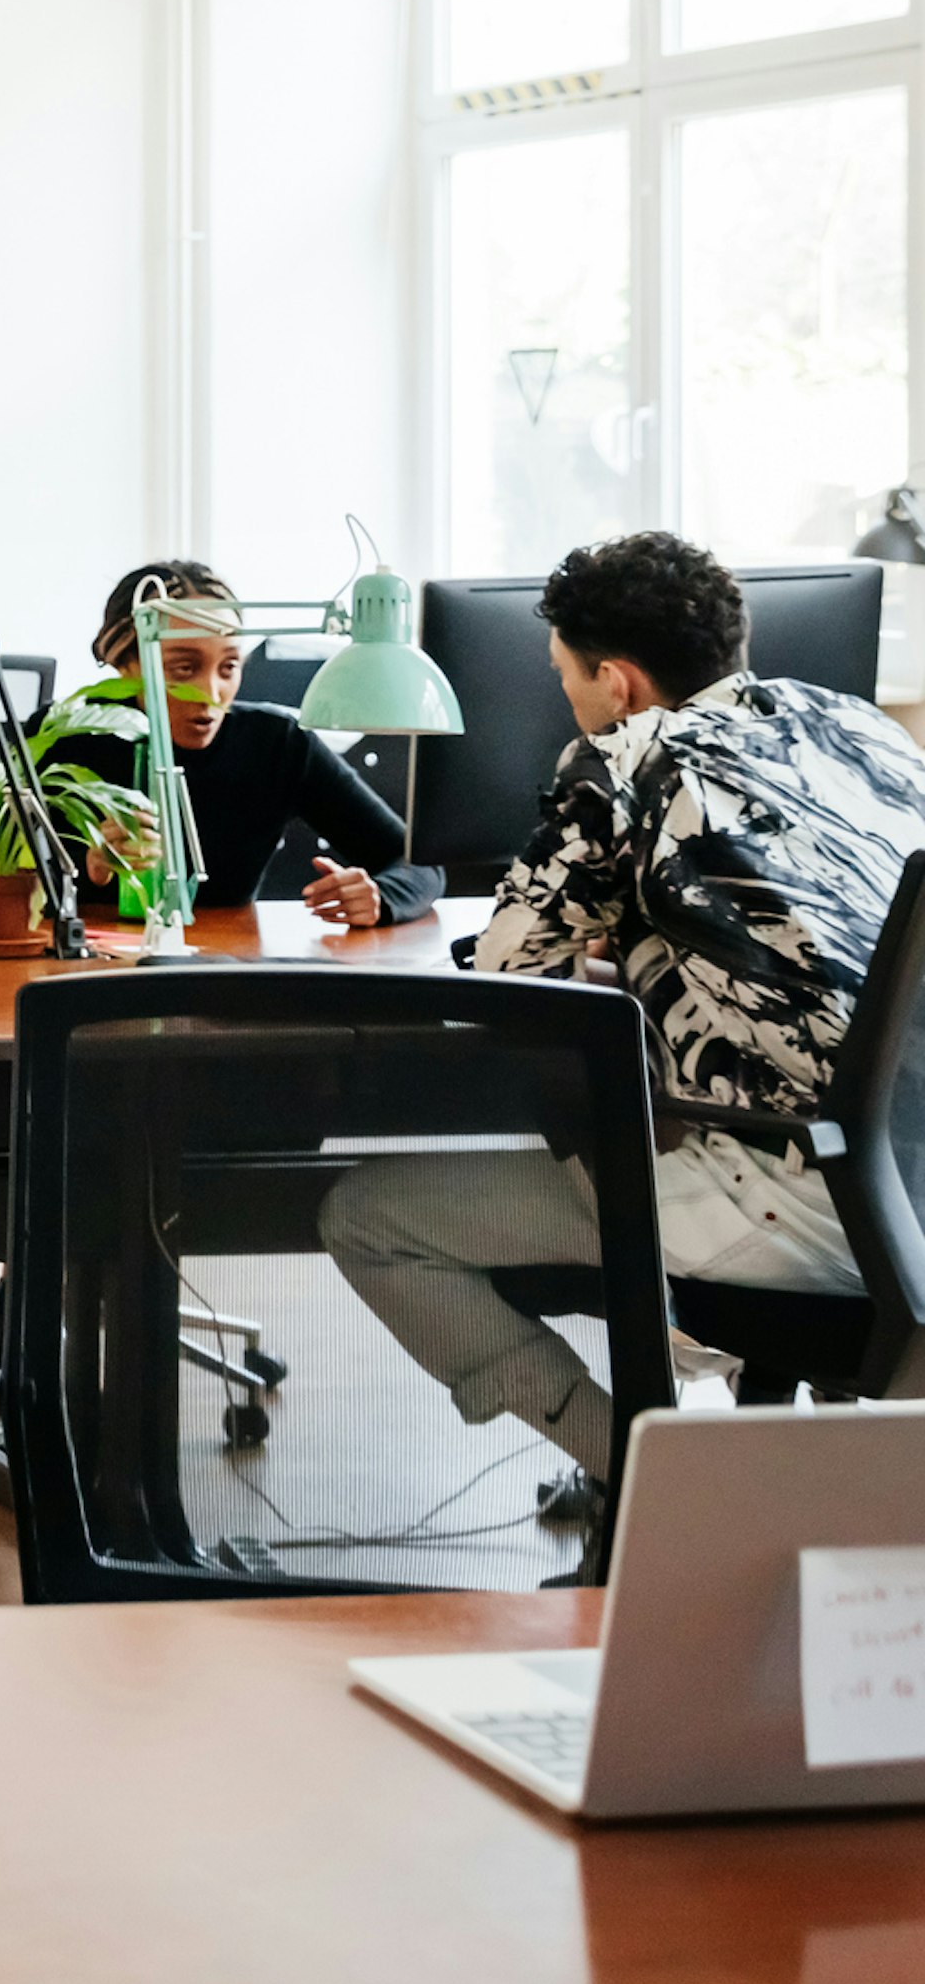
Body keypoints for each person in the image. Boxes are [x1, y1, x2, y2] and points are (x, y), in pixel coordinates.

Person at [320, 531, 925, 1476]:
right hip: (909, 1191)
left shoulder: (626, 760)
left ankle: (653, 1480)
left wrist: (602, 941)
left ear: (618, 683)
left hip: (797, 1196)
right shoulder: (863, 730)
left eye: (564, 677)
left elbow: (509, 979)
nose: (563, 699)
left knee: (368, 1218)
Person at [48, 558, 441, 928]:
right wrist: (90, 867)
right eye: (184, 668)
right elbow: (0, 887)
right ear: (126, 664)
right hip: (91, 977)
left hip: (229, 972)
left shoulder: (276, 744)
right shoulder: (65, 740)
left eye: (228, 667)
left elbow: (418, 864)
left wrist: (379, 897)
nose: (210, 692)